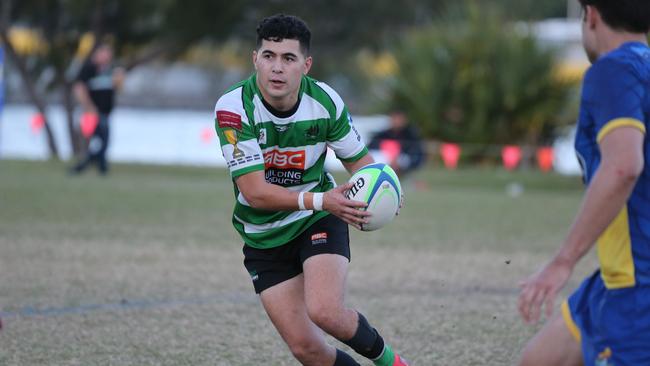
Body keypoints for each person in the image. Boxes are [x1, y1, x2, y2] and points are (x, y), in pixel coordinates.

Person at [213, 14, 409, 366]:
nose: (277, 68)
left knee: (326, 311)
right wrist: (324, 200)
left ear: (306, 65)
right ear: (254, 58)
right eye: (269, 56)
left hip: (316, 218)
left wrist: (385, 189)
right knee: (308, 351)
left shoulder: (325, 102)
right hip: (263, 235)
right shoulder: (234, 108)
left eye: (288, 59)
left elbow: (362, 164)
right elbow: (255, 192)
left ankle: (394, 364)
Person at [517, 1, 650, 365]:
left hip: (637, 290)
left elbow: (623, 166)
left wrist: (562, 261)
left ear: (590, 15)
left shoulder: (614, 69)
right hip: (611, 281)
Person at [70, 42, 124, 175]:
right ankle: (96, 165)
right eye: (105, 53)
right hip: (92, 113)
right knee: (102, 139)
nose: (107, 57)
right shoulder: (88, 68)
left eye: (109, 54)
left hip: (106, 112)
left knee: (101, 140)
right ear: (97, 54)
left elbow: (118, 89)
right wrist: (89, 107)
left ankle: (93, 164)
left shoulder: (110, 70)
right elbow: (79, 89)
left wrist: (120, 79)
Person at [368, 109, 425, 178]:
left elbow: (416, 153)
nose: (397, 121)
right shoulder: (383, 134)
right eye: (395, 118)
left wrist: (398, 158)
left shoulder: (411, 135)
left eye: (399, 118)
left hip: (403, 158)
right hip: (386, 159)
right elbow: (372, 147)